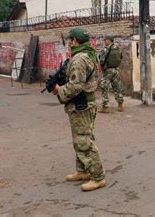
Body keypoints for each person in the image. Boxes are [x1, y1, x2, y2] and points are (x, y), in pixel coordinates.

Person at [52, 27, 106, 191]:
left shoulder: (79, 59)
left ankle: (98, 177)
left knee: (84, 140)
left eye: (70, 40)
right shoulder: (90, 53)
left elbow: (76, 85)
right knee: (80, 138)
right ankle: (82, 170)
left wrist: (58, 90)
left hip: (81, 105)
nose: (69, 43)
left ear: (74, 41)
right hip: (84, 103)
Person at [98, 35, 124, 113]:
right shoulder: (118, 48)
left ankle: (105, 107)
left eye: (106, 40)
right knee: (117, 87)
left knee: (104, 87)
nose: (105, 41)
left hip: (108, 71)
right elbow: (121, 57)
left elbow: (102, 60)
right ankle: (120, 105)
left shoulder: (106, 49)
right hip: (116, 70)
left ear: (109, 40)